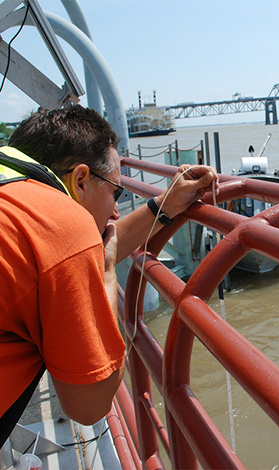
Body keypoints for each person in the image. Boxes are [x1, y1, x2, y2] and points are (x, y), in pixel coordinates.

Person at [0, 105, 219, 448]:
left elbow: (80, 252)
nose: (117, 211)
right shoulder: (60, 222)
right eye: (116, 192)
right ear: (81, 179)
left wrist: (165, 206)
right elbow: (90, 404)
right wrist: (105, 275)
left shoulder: (14, 188)